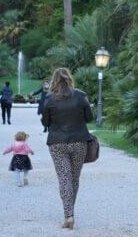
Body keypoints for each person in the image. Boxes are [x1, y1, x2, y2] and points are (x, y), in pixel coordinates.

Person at [41, 68, 92, 230]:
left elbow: (45, 122)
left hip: (57, 143)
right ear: (69, 78)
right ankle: (70, 212)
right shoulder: (81, 95)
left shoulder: (49, 98)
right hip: (79, 142)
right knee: (74, 179)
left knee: (64, 178)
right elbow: (89, 118)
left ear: (54, 80)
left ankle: (68, 215)